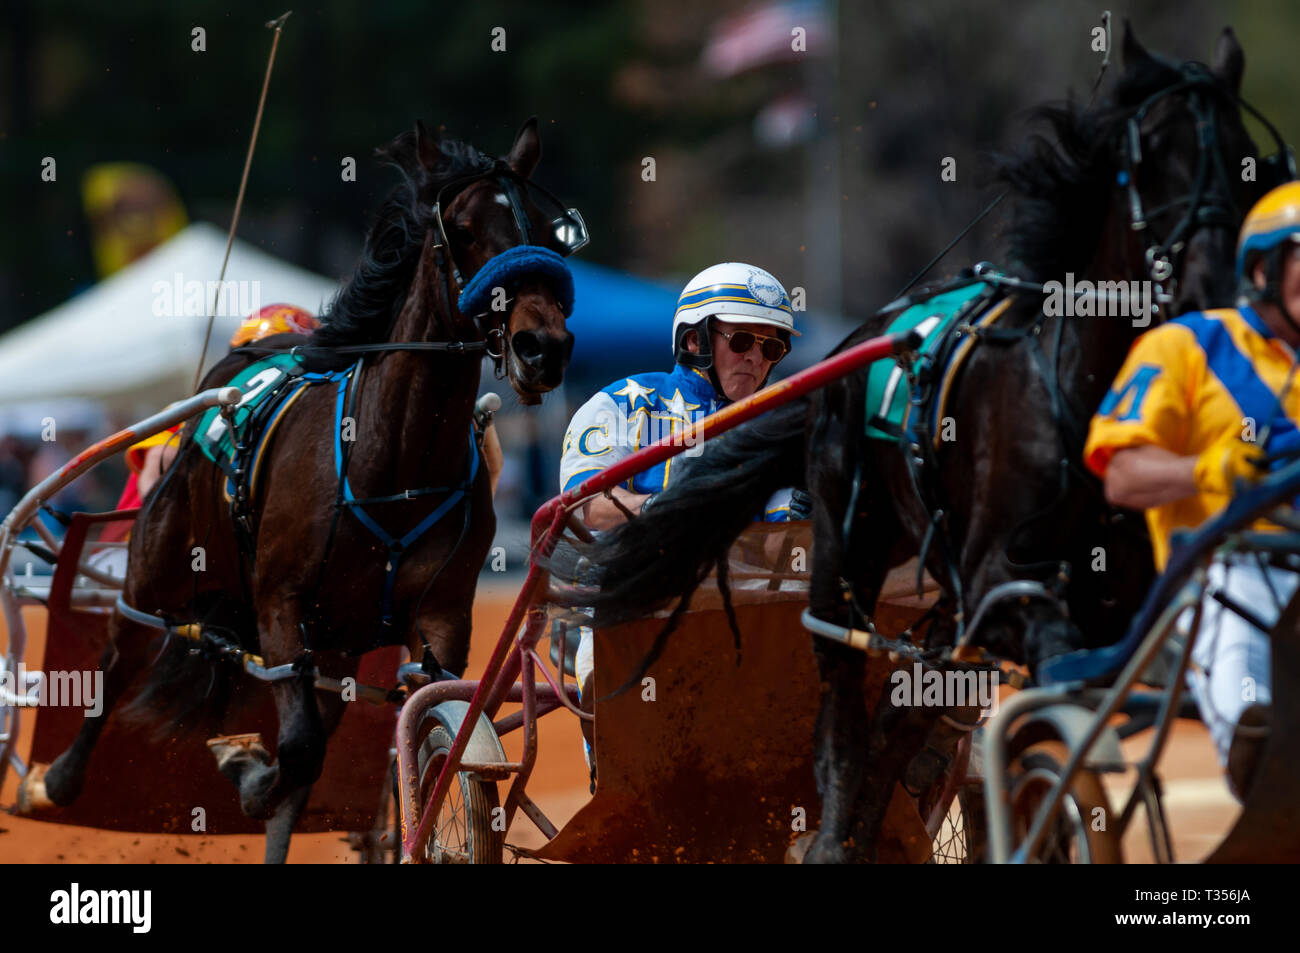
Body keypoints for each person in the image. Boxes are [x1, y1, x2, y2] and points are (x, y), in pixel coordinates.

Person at [1083, 180, 1300, 799]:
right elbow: (1122, 476)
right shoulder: (1187, 345)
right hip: (1225, 576)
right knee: (1247, 616)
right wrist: (1207, 470)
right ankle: (1263, 764)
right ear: (1262, 266)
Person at [558, 262, 809, 768]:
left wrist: (808, 518)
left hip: (752, 626)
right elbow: (582, 511)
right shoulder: (625, 406)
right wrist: (672, 510)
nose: (757, 359)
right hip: (629, 618)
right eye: (742, 341)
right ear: (695, 340)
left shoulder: (781, 429)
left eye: (772, 347)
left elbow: (784, 553)